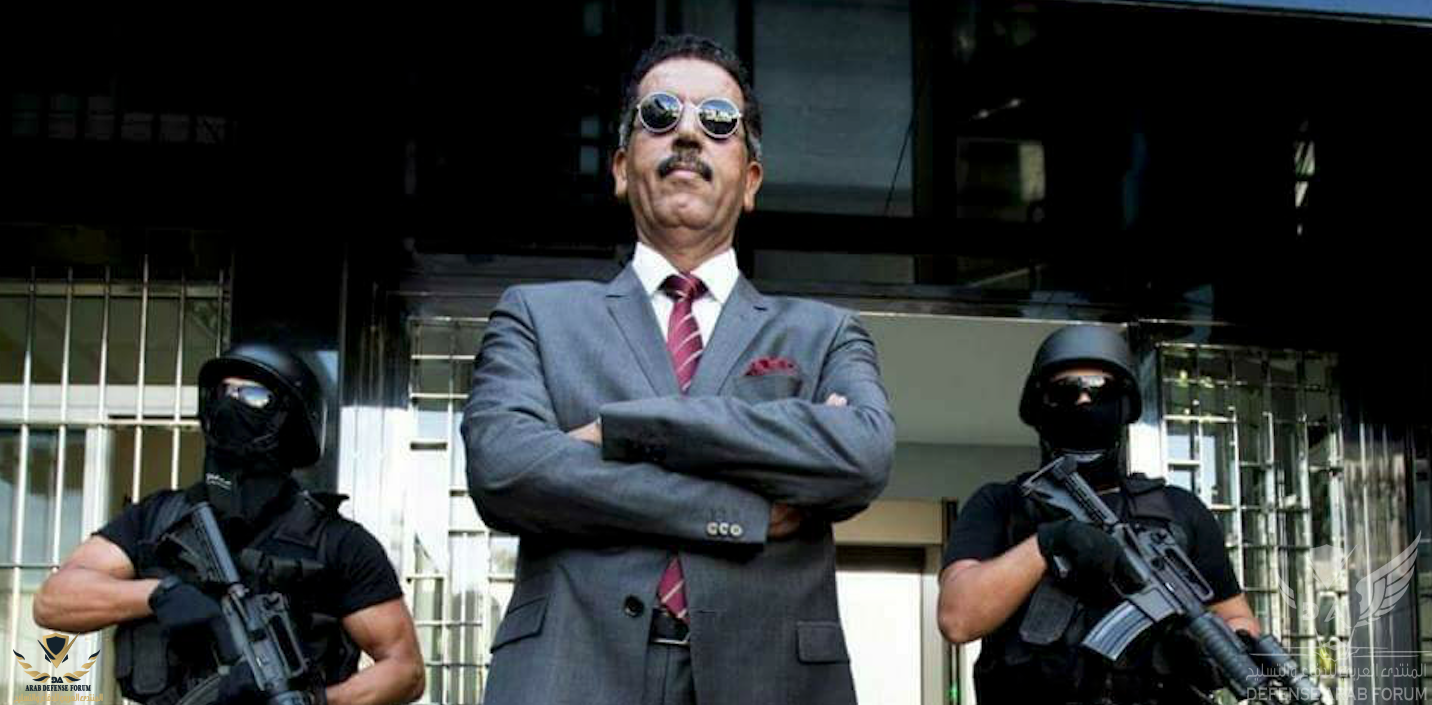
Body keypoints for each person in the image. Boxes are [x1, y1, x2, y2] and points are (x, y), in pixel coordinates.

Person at [461, 34, 895, 705]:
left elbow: (861, 455)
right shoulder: (536, 317)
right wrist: (736, 508)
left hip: (771, 680)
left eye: (719, 121)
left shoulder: (825, 333)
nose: (688, 134)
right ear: (620, 168)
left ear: (751, 181)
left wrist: (624, 432)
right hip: (569, 673)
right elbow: (506, 469)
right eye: (659, 115)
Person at [33, 343, 425, 705]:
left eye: (253, 396)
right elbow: (53, 602)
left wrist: (314, 701)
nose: (231, 404)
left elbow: (405, 670)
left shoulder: (337, 541)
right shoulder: (156, 518)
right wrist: (158, 594)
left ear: (291, 417)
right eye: (223, 392)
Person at [937, 325, 1260, 704]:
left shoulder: (1178, 510)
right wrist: (1047, 544)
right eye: (1065, 391)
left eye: (1101, 390)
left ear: (1123, 406)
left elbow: (1236, 616)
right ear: (1040, 407)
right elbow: (958, 619)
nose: (1084, 402)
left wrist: (1223, 647)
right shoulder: (1002, 505)